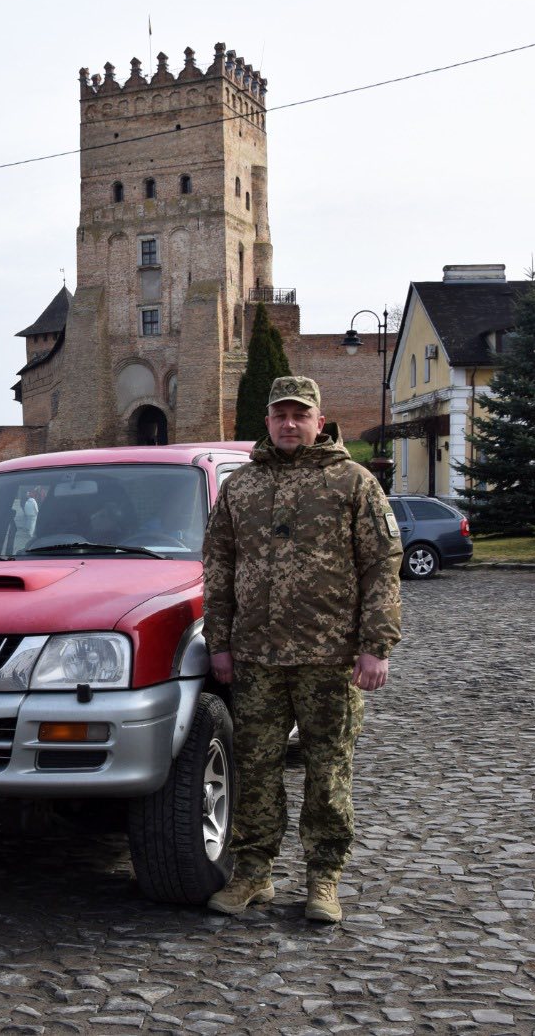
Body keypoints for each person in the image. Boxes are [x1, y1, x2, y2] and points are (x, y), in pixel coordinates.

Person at [202, 376, 402, 922]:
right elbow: (217, 569)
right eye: (279, 415)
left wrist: (375, 646)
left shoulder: (353, 483)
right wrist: (219, 643)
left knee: (328, 771)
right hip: (257, 660)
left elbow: (381, 567)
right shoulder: (241, 487)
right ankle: (253, 875)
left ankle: (323, 880)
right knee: (256, 770)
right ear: (266, 421)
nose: (289, 424)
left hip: (329, 658)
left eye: (300, 415)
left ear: (319, 420)